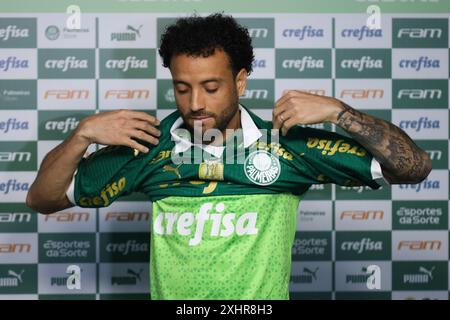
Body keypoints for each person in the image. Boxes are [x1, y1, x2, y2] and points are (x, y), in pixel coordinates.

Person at [26, 13, 431, 299]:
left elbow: (413, 168)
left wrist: (342, 114)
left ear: (240, 81)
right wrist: (81, 135)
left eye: (211, 86)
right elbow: (43, 199)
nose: (195, 102)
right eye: (182, 87)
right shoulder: (148, 146)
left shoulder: (288, 144)